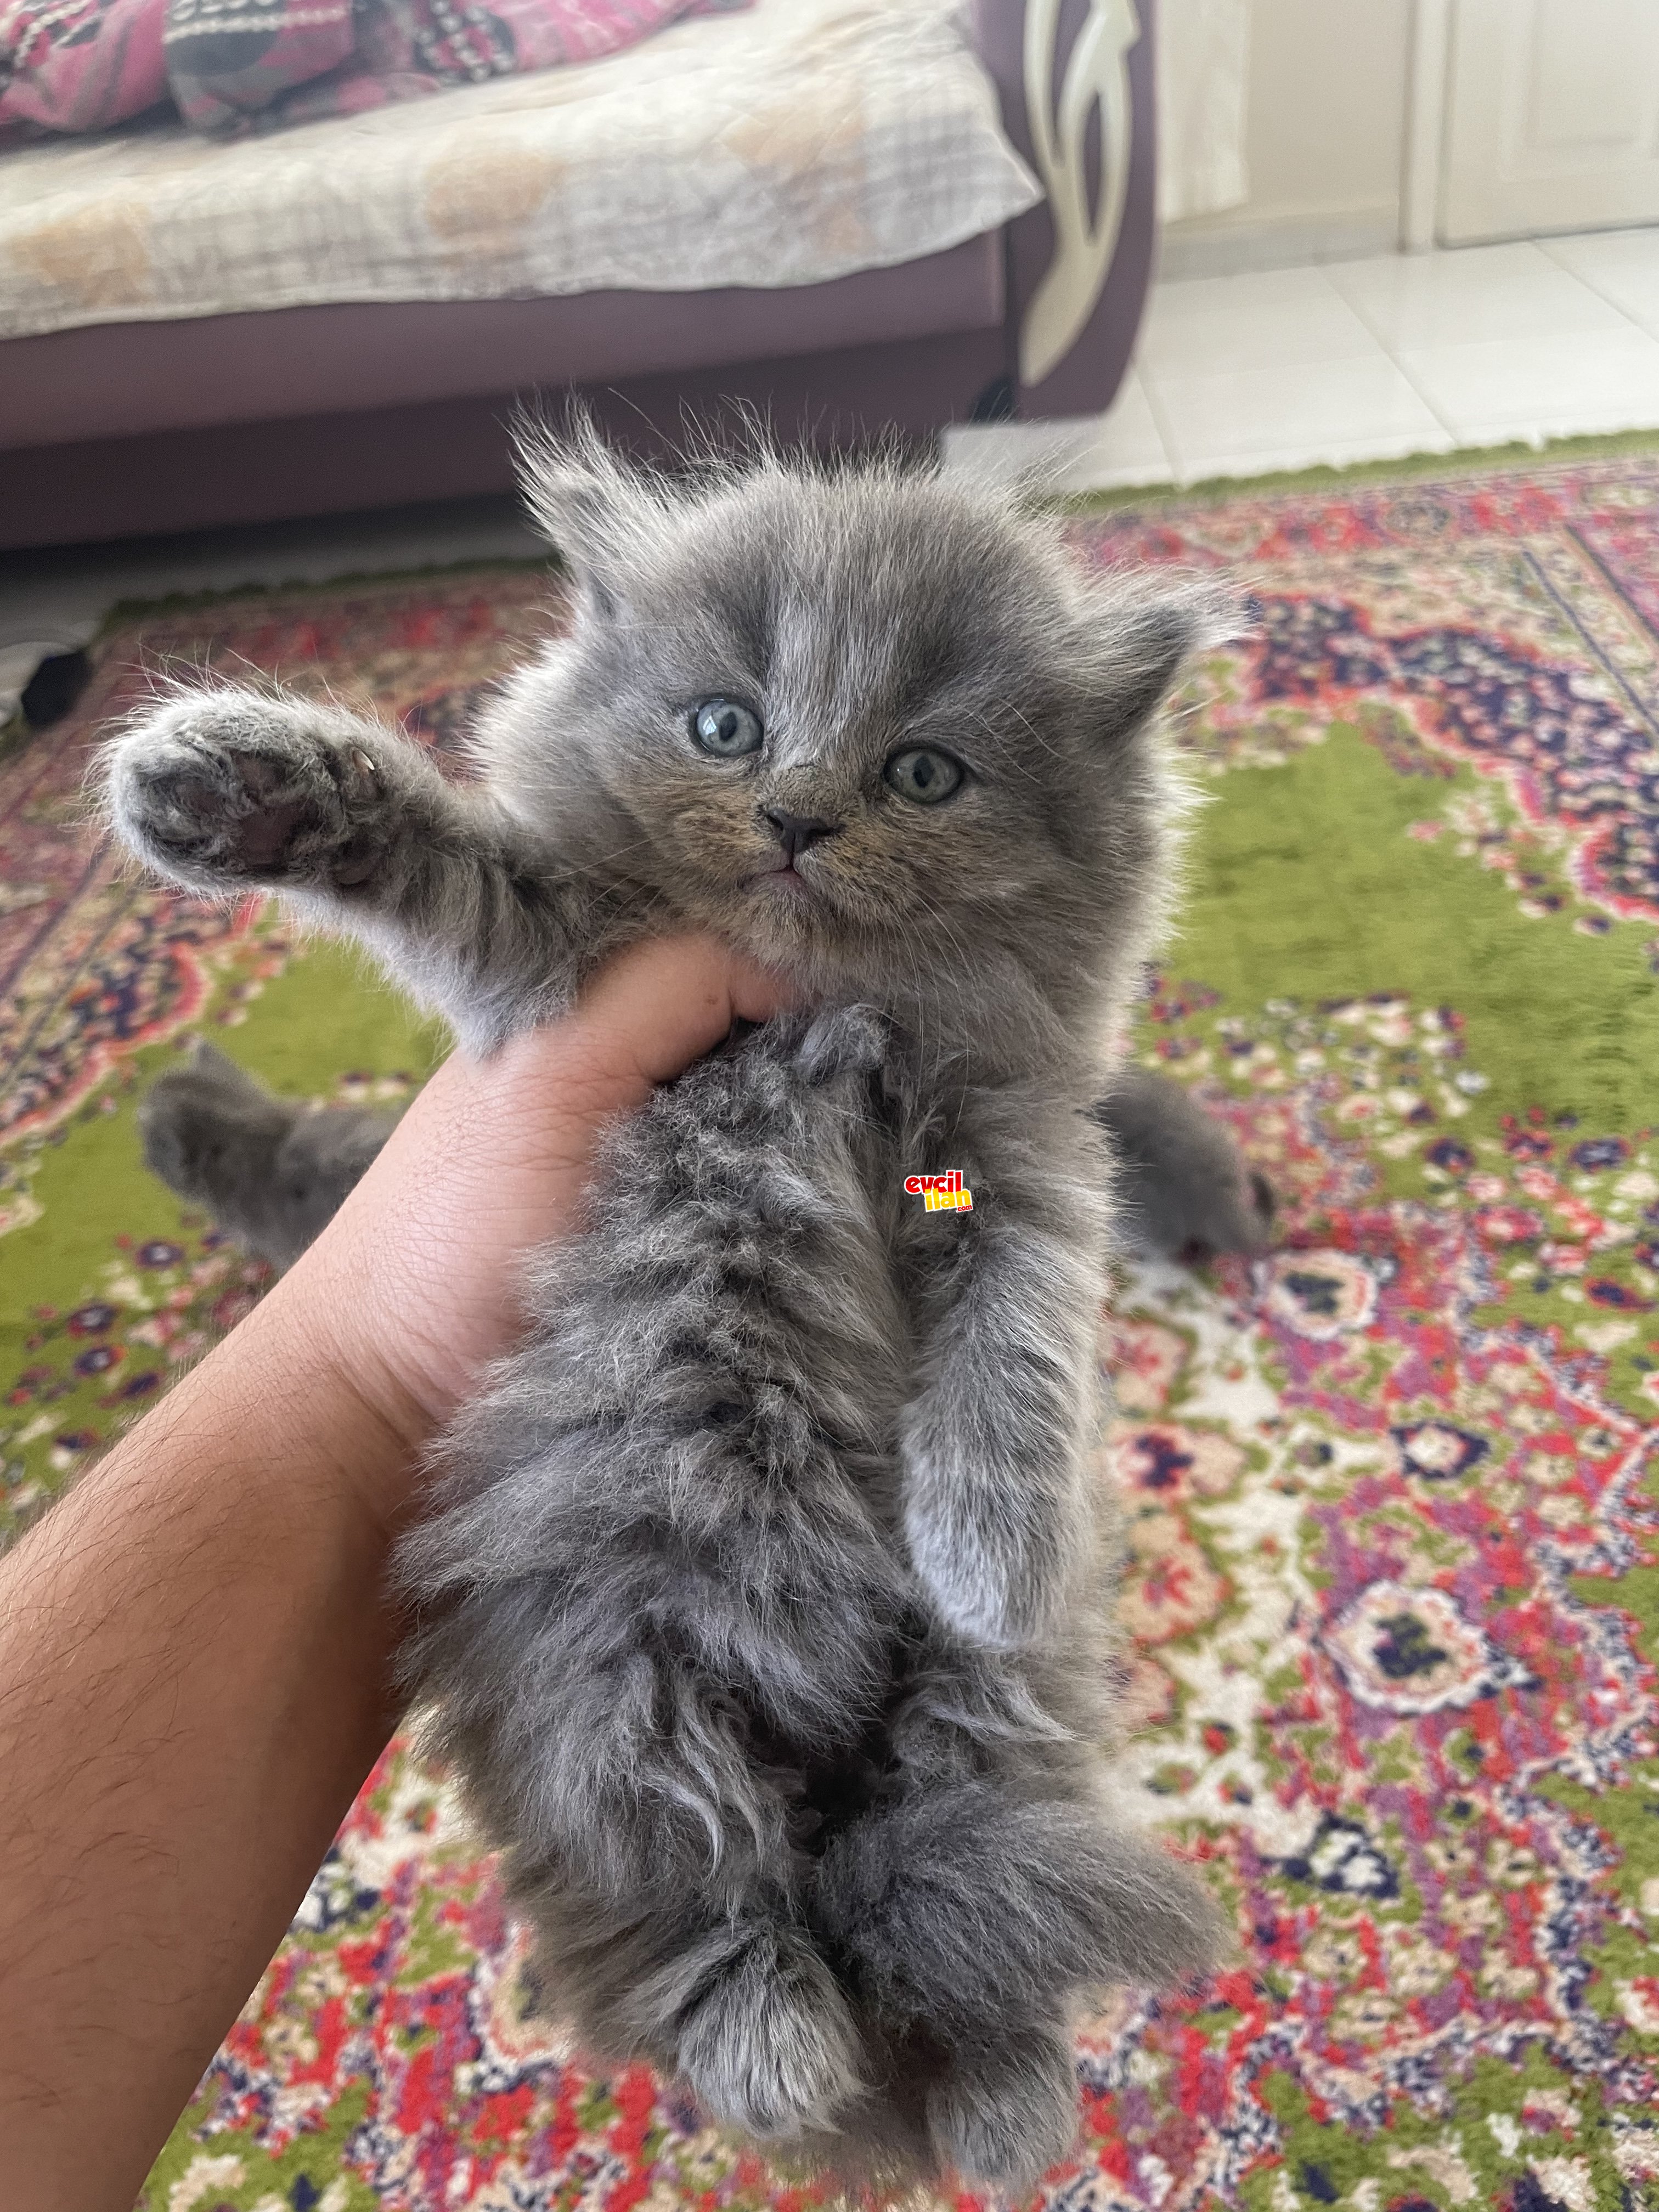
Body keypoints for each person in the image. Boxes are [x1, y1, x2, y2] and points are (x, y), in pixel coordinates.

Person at [0, 935, 788, 2212]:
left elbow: (961, 1182)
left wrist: (955, 1211)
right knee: (636, 1733)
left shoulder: (910, 1098)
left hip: (831, 1447)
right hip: (651, 1484)